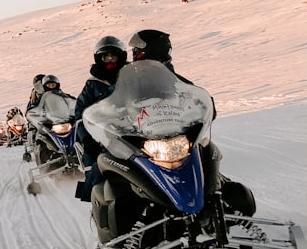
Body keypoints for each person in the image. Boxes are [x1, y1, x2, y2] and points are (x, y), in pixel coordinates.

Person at [127, 29, 255, 215]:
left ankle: (220, 202)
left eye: (135, 51)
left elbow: (202, 103)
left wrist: (201, 113)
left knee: (209, 156)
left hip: (178, 139)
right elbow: (115, 107)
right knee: (123, 171)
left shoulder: (177, 82)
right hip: (147, 141)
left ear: (143, 52)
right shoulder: (129, 83)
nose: (134, 56)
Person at [73, 36, 129, 202]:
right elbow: (80, 112)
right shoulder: (93, 84)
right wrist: (87, 137)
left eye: (114, 55)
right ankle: (97, 199)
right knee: (99, 164)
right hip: (104, 134)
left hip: (133, 128)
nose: (110, 59)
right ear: (99, 58)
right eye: (106, 56)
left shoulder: (131, 77)